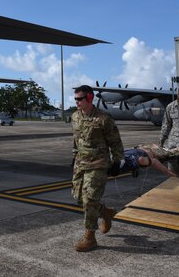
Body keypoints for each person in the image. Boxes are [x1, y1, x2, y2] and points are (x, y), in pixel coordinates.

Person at [71, 85, 124, 252]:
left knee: (90, 200)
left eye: (79, 99)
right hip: (81, 163)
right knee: (79, 198)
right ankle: (106, 212)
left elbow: (115, 142)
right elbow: (76, 140)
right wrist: (74, 157)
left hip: (98, 164)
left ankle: (90, 237)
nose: (77, 102)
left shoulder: (104, 119)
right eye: (75, 99)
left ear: (89, 98)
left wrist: (117, 162)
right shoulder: (74, 117)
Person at [114, 143, 179, 178]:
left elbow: (153, 161)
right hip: (141, 149)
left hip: (145, 151)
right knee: (168, 153)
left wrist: (167, 172)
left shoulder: (140, 159)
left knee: (168, 153)